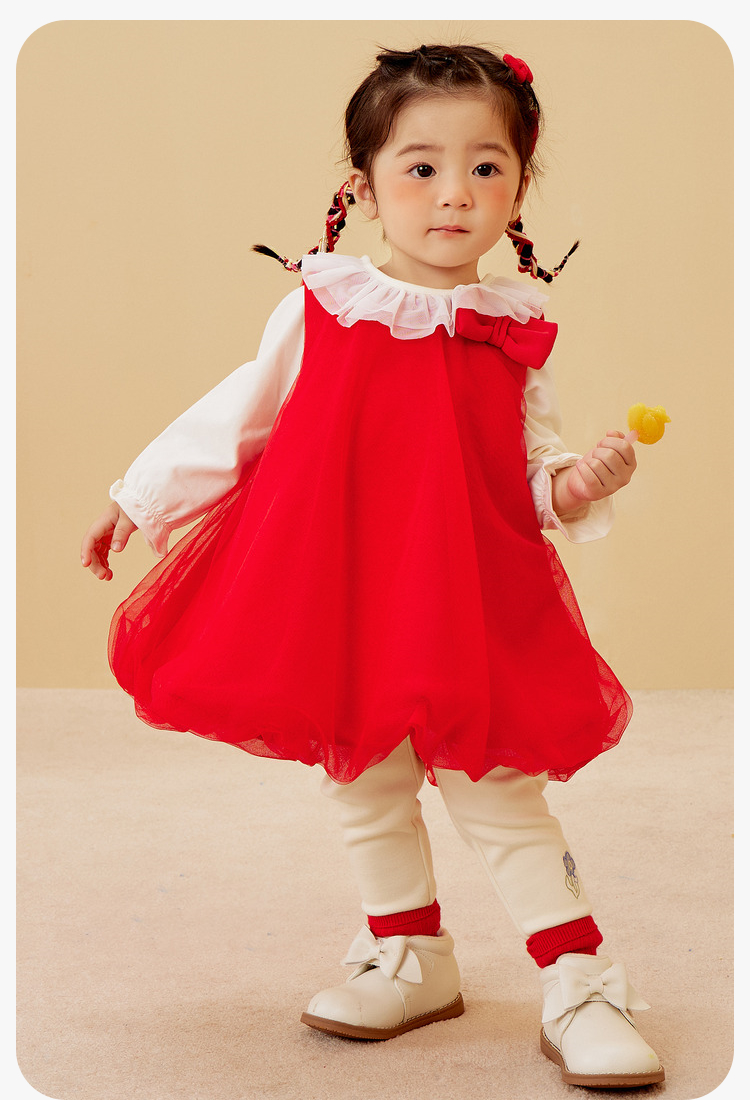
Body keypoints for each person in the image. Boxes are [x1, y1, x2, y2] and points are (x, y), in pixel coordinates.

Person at [81, 44, 664, 1089]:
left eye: (486, 167)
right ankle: (409, 951)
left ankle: (579, 977)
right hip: (343, 587)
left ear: (519, 189)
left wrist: (580, 482)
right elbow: (241, 417)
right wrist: (140, 496)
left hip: (470, 594)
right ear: (364, 186)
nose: (455, 193)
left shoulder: (513, 333)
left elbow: (530, 476)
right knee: (366, 774)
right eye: (422, 166)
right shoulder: (326, 305)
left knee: (495, 783)